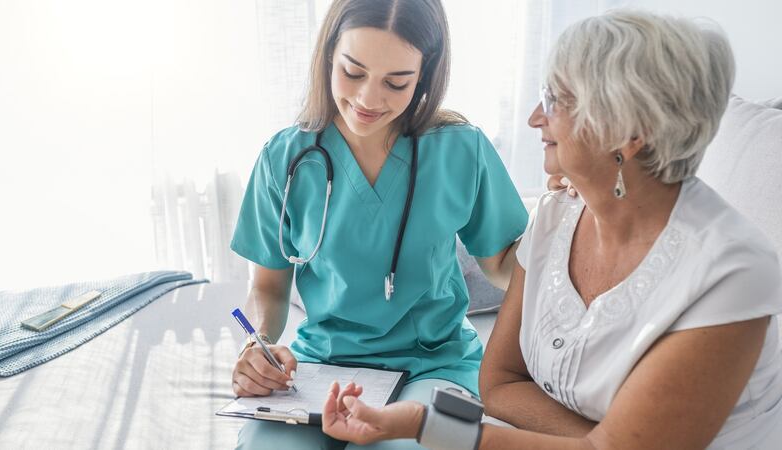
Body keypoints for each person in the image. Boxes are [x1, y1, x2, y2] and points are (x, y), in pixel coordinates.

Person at [320, 9, 782, 450]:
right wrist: (598, 440)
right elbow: (499, 383)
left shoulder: (731, 274)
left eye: (556, 101)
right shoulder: (557, 217)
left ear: (628, 130)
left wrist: (425, 426)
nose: (535, 118)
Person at [230, 0, 529, 448]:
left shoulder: (460, 150)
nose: (369, 99)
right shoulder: (284, 159)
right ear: (328, 55)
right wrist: (256, 346)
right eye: (353, 73)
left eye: (396, 82)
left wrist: (569, 241)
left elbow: (508, 264)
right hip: (322, 367)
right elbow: (270, 288)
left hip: (438, 365)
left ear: (424, 77)